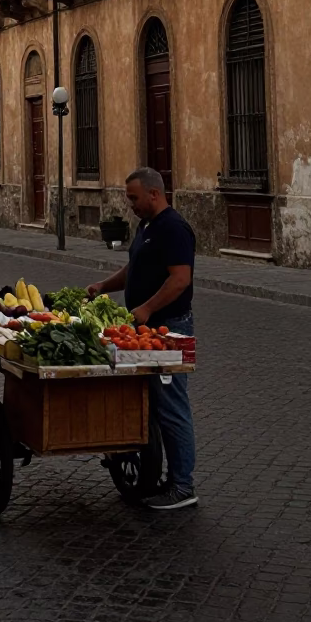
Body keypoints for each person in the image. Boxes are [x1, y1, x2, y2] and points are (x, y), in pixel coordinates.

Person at [86, 166, 197, 511]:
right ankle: (161, 476)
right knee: (152, 405)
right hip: (145, 330)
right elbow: (134, 268)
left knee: (172, 407)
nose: (130, 204)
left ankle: (183, 486)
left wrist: (147, 308)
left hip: (168, 329)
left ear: (154, 193)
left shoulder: (174, 228)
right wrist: (105, 285)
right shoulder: (146, 226)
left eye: (133, 198)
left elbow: (180, 279)